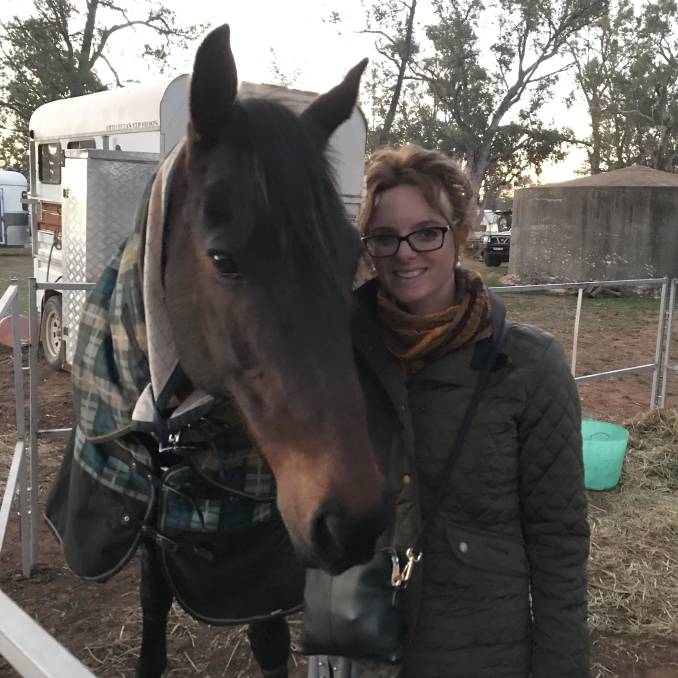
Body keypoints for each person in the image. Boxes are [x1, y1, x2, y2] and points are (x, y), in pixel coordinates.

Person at [308, 145, 590, 678]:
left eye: (427, 232)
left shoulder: (529, 367)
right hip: (357, 648)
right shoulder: (334, 363)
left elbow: (559, 538)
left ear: (458, 233)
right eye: (384, 237)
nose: (405, 252)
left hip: (480, 651)